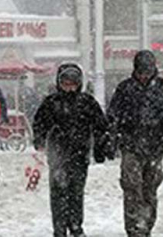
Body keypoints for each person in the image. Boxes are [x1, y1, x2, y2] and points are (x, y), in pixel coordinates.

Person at [106, 50, 163, 237]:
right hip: (131, 146)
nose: (144, 76)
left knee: (150, 188)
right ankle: (134, 226)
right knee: (131, 186)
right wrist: (111, 141)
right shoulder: (125, 89)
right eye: (141, 71)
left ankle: (146, 224)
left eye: (147, 71)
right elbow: (112, 117)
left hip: (155, 147)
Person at [33, 63, 108, 237]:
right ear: (59, 83)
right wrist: (40, 142)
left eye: (73, 83)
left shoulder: (87, 102)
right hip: (57, 154)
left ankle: (76, 225)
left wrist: (100, 147)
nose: (69, 87)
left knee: (76, 193)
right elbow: (39, 124)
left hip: (79, 155)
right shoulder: (51, 102)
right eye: (65, 83)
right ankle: (59, 229)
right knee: (58, 193)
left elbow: (100, 126)